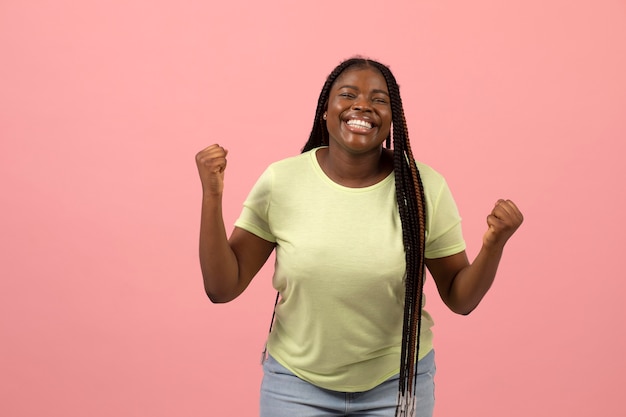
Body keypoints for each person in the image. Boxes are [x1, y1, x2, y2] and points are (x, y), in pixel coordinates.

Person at [195, 57, 523, 417]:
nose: (363, 105)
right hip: (295, 385)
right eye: (348, 94)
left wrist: (493, 246)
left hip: (395, 385)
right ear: (325, 110)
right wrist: (212, 196)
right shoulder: (282, 181)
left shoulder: (423, 187)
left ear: (392, 117)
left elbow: (461, 299)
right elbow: (222, 288)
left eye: (379, 99)